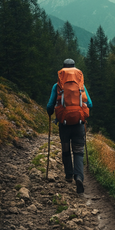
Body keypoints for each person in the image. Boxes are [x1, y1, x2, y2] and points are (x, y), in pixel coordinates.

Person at [46, 58, 92, 194]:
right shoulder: (80, 85)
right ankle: (79, 177)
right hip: (78, 124)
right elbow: (90, 104)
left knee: (66, 149)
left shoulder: (57, 86)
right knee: (78, 151)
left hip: (64, 124)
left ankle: (69, 174)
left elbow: (49, 105)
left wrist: (51, 112)